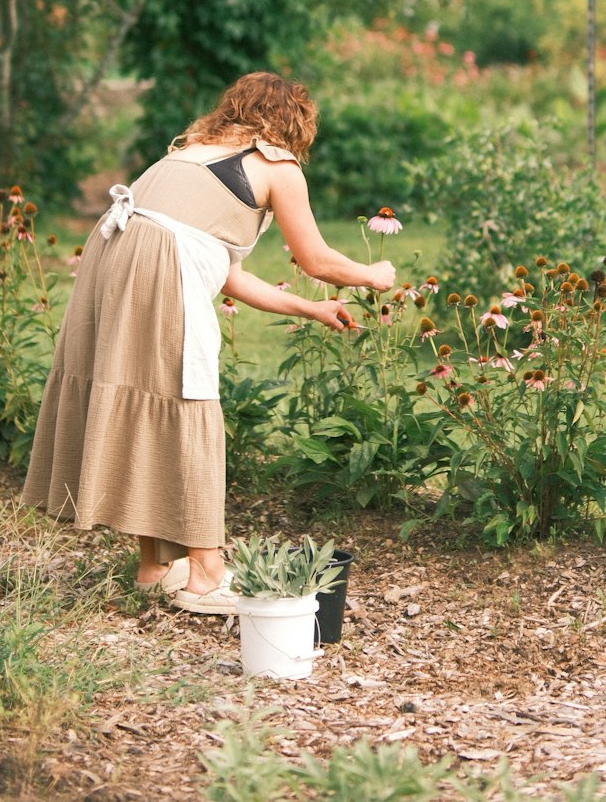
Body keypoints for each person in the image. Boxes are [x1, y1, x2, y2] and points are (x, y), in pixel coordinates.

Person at [20, 71, 395, 615]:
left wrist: (311, 307)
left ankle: (154, 568)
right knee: (187, 401)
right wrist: (372, 273)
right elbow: (315, 259)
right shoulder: (276, 165)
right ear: (296, 121)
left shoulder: (189, 153)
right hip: (156, 267)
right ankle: (205, 573)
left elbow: (227, 272)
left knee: (146, 399)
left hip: (115, 259)